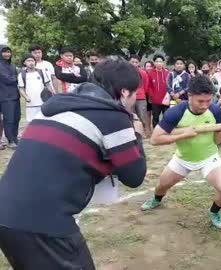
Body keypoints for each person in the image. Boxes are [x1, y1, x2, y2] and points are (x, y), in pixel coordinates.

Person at [0, 57, 147, 270]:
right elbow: (135, 177)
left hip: (7, 214)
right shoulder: (113, 117)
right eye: (135, 93)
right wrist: (137, 136)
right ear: (125, 92)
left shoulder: (55, 107)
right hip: (44, 225)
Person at [141, 75, 221, 230]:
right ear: (189, 96)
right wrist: (182, 135)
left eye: (208, 100)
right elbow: (155, 139)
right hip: (183, 158)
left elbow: (218, 140)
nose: (205, 105)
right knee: (162, 186)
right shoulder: (175, 113)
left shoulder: (215, 111)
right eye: (201, 101)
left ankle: (214, 211)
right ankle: (156, 200)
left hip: (209, 157)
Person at [18, 54, 55, 122]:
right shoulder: (22, 75)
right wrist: (26, 97)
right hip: (31, 104)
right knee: (32, 122)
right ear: (24, 63)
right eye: (28, 61)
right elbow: (21, 89)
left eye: (32, 61)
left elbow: (48, 85)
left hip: (43, 102)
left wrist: (53, 94)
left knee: (45, 121)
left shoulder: (41, 72)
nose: (31, 62)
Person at [0, 45, 20, 149]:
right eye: (4, 52)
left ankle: (15, 137)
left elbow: (15, 78)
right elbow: (8, 79)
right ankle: (10, 140)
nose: (7, 54)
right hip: (5, 97)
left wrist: (17, 77)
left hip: (15, 96)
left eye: (9, 52)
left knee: (17, 117)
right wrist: (18, 77)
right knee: (9, 119)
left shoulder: (12, 65)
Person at [147, 54, 170, 128]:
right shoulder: (151, 73)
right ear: (154, 63)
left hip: (165, 100)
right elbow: (148, 86)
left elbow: (170, 86)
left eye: (160, 61)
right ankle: (155, 133)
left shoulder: (167, 73)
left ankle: (166, 132)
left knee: (167, 117)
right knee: (155, 118)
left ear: (163, 63)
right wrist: (152, 95)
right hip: (155, 101)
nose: (159, 63)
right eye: (157, 61)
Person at [129, 55, 150, 135]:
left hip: (140, 98)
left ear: (139, 63)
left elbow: (146, 85)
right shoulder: (124, 73)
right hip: (129, 97)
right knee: (131, 116)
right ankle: (133, 132)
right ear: (129, 62)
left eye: (136, 62)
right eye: (132, 62)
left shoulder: (143, 73)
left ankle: (144, 131)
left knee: (142, 116)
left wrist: (140, 92)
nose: (134, 64)